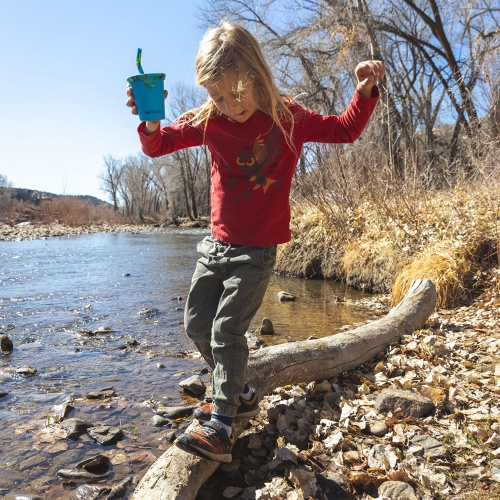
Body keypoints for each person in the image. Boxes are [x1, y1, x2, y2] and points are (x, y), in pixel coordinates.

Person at [126, 20, 385, 463]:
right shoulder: (209, 120)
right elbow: (157, 147)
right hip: (216, 244)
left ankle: (222, 425)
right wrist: (150, 122)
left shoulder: (288, 118)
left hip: (257, 249)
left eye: (236, 93)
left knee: (227, 331)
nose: (227, 106)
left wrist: (363, 93)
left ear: (257, 76)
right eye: (216, 96)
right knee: (196, 324)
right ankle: (241, 391)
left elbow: (344, 131)